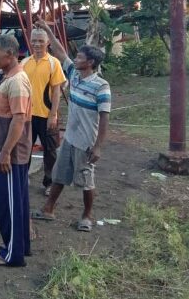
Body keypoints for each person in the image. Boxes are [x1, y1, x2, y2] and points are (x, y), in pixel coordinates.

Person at [32, 18, 111, 233]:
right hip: (70, 139)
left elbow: (104, 118)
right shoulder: (74, 76)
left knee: (86, 181)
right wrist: (48, 28)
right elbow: (60, 51)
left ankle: (87, 216)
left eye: (80, 57)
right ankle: (48, 210)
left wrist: (98, 147)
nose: (75, 59)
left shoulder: (101, 86)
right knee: (59, 175)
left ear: (91, 63)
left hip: (85, 142)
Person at [0, 34, 33, 267]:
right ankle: (19, 246)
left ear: (10, 54)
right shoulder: (4, 77)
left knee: (9, 205)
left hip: (11, 155)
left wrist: (4, 152)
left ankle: (13, 256)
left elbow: (19, 120)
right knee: (16, 203)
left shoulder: (17, 81)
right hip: (8, 152)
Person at [21, 28, 66, 196]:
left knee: (50, 151)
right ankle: (22, 177)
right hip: (26, 116)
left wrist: (53, 115)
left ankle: (49, 183)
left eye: (40, 40)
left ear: (47, 42)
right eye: (34, 40)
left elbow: (56, 91)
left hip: (46, 115)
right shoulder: (24, 63)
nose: (37, 44)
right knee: (24, 148)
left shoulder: (54, 63)